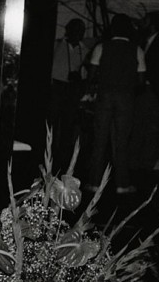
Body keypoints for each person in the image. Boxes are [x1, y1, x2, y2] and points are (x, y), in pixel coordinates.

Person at [87, 13, 146, 194]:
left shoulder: (101, 47)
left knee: (99, 140)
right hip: (126, 98)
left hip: (105, 96)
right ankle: (122, 184)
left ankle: (94, 183)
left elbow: (91, 74)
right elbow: (141, 79)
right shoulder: (137, 49)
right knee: (121, 141)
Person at [131, 11, 159, 171]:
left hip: (152, 92)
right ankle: (137, 162)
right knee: (138, 126)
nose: (142, 24)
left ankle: (146, 164)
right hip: (142, 91)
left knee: (150, 129)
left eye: (145, 21)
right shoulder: (143, 44)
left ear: (153, 26)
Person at [50, 18, 88, 170]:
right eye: (76, 30)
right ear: (68, 30)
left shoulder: (84, 50)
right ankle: (49, 152)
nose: (78, 33)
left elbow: (86, 73)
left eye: (81, 31)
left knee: (68, 124)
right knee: (52, 121)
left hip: (72, 89)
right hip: (56, 87)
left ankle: (63, 156)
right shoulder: (57, 45)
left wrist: (80, 79)